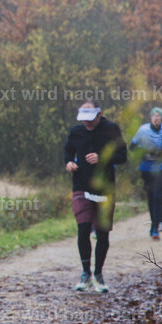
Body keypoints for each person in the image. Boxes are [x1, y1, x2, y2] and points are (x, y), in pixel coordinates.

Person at [63, 100, 127, 293]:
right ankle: (85, 273)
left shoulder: (111, 129)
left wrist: (102, 158)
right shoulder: (76, 131)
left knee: (102, 233)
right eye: (84, 120)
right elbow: (68, 150)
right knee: (83, 229)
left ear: (99, 115)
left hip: (105, 188)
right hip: (81, 185)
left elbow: (123, 156)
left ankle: (98, 273)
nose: (87, 124)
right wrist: (68, 163)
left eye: (90, 120)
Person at [130, 106, 162, 240]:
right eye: (154, 116)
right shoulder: (143, 130)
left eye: (158, 116)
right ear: (150, 118)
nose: (156, 118)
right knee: (151, 196)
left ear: (161, 118)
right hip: (146, 168)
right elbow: (132, 146)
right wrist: (143, 151)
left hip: (161, 167)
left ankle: (156, 227)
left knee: (158, 195)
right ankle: (153, 224)